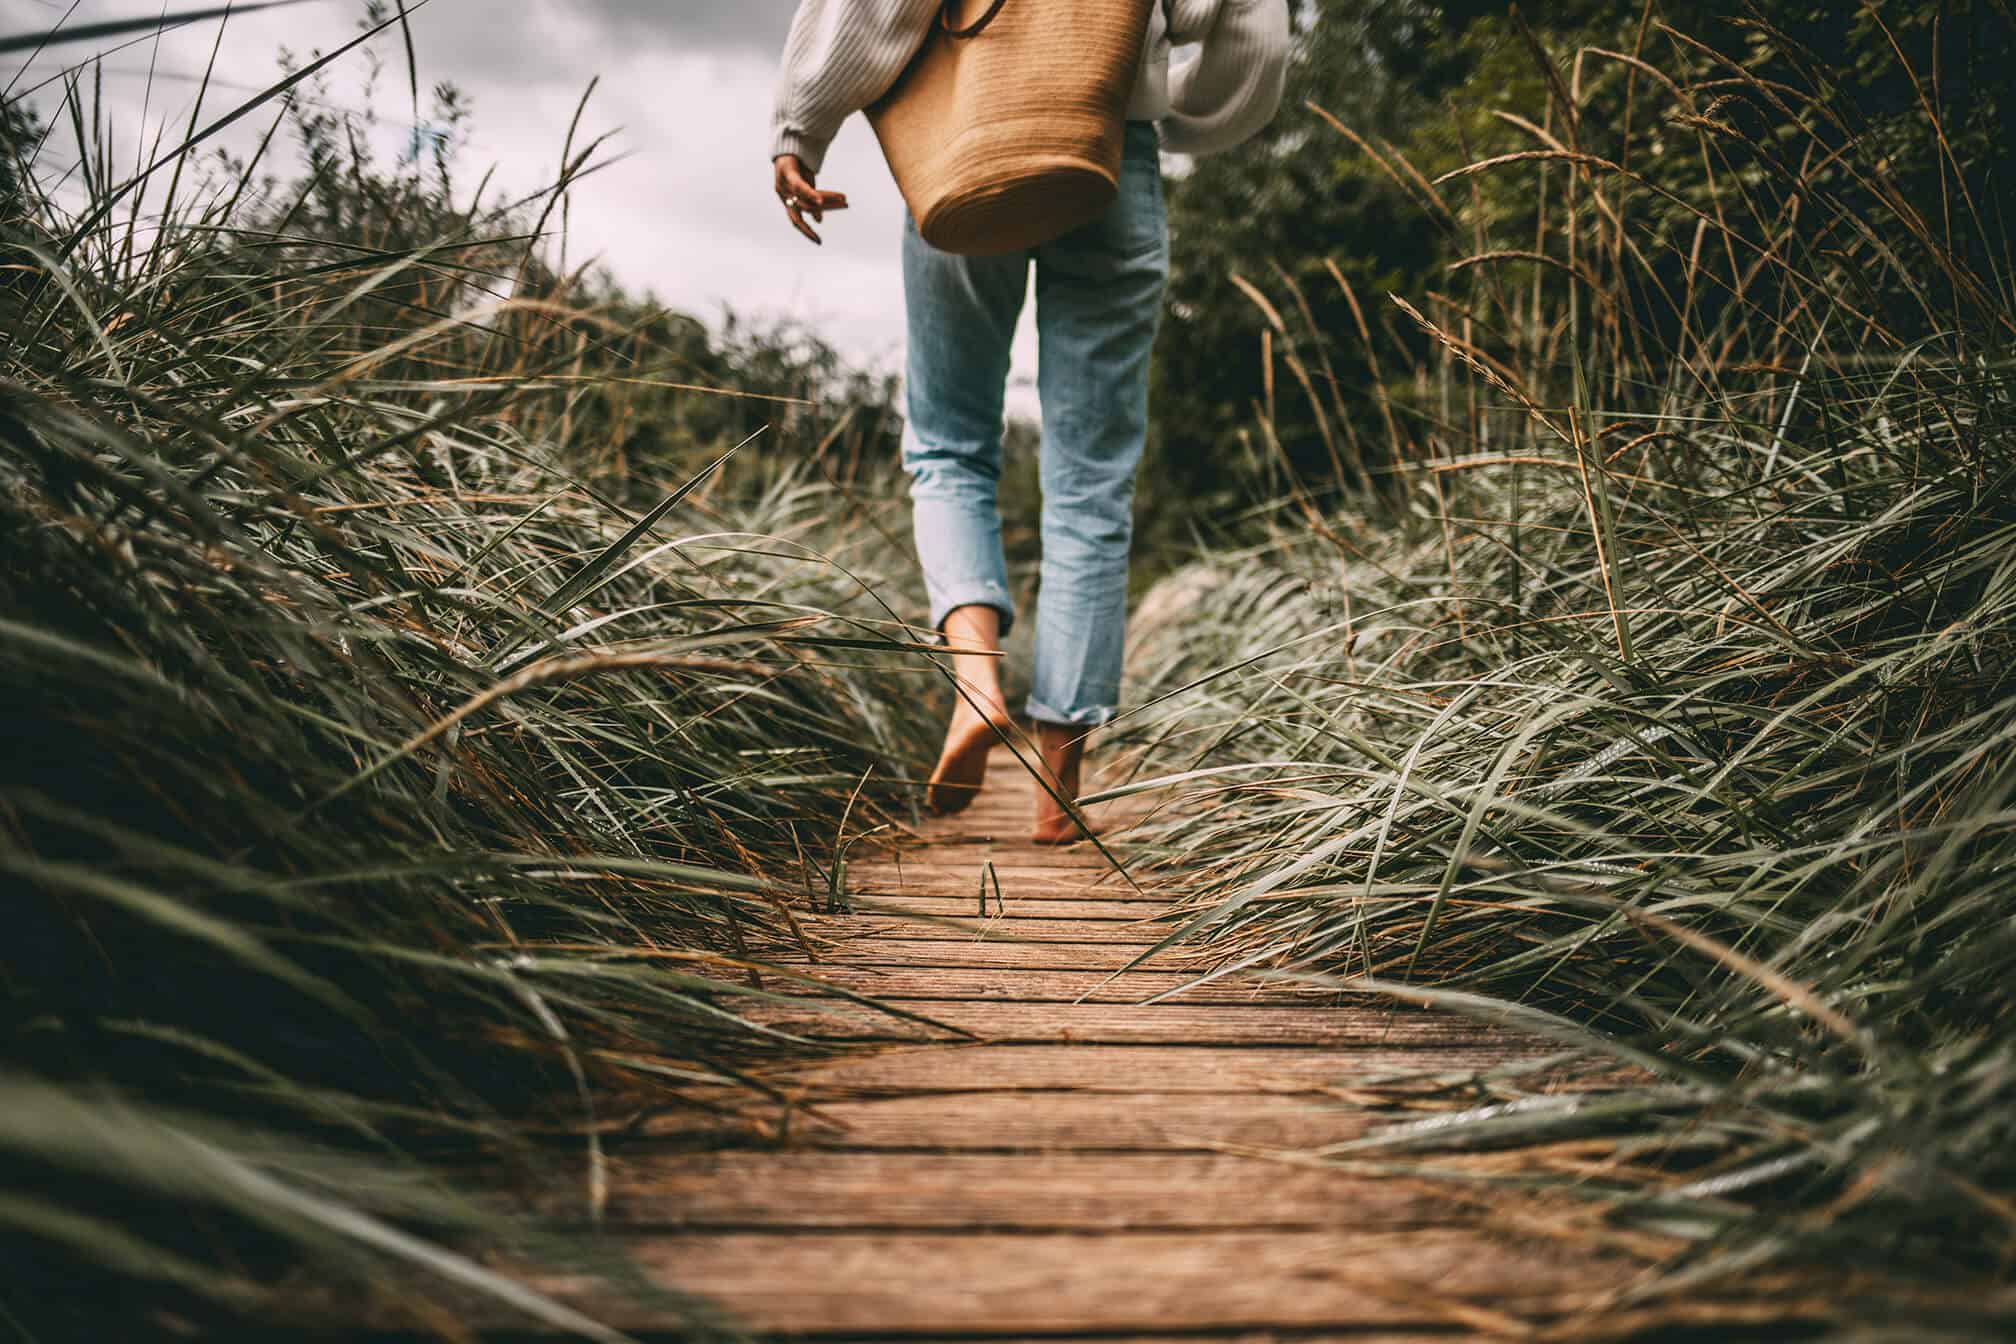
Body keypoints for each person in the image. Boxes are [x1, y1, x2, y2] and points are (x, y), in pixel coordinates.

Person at [769, 0, 1290, 843]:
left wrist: (802, 125)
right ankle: (1058, 793)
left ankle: (976, 677)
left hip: (968, 137)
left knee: (949, 443)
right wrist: (1169, 105)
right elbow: (1245, 25)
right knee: (1092, 477)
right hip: (1112, 148)